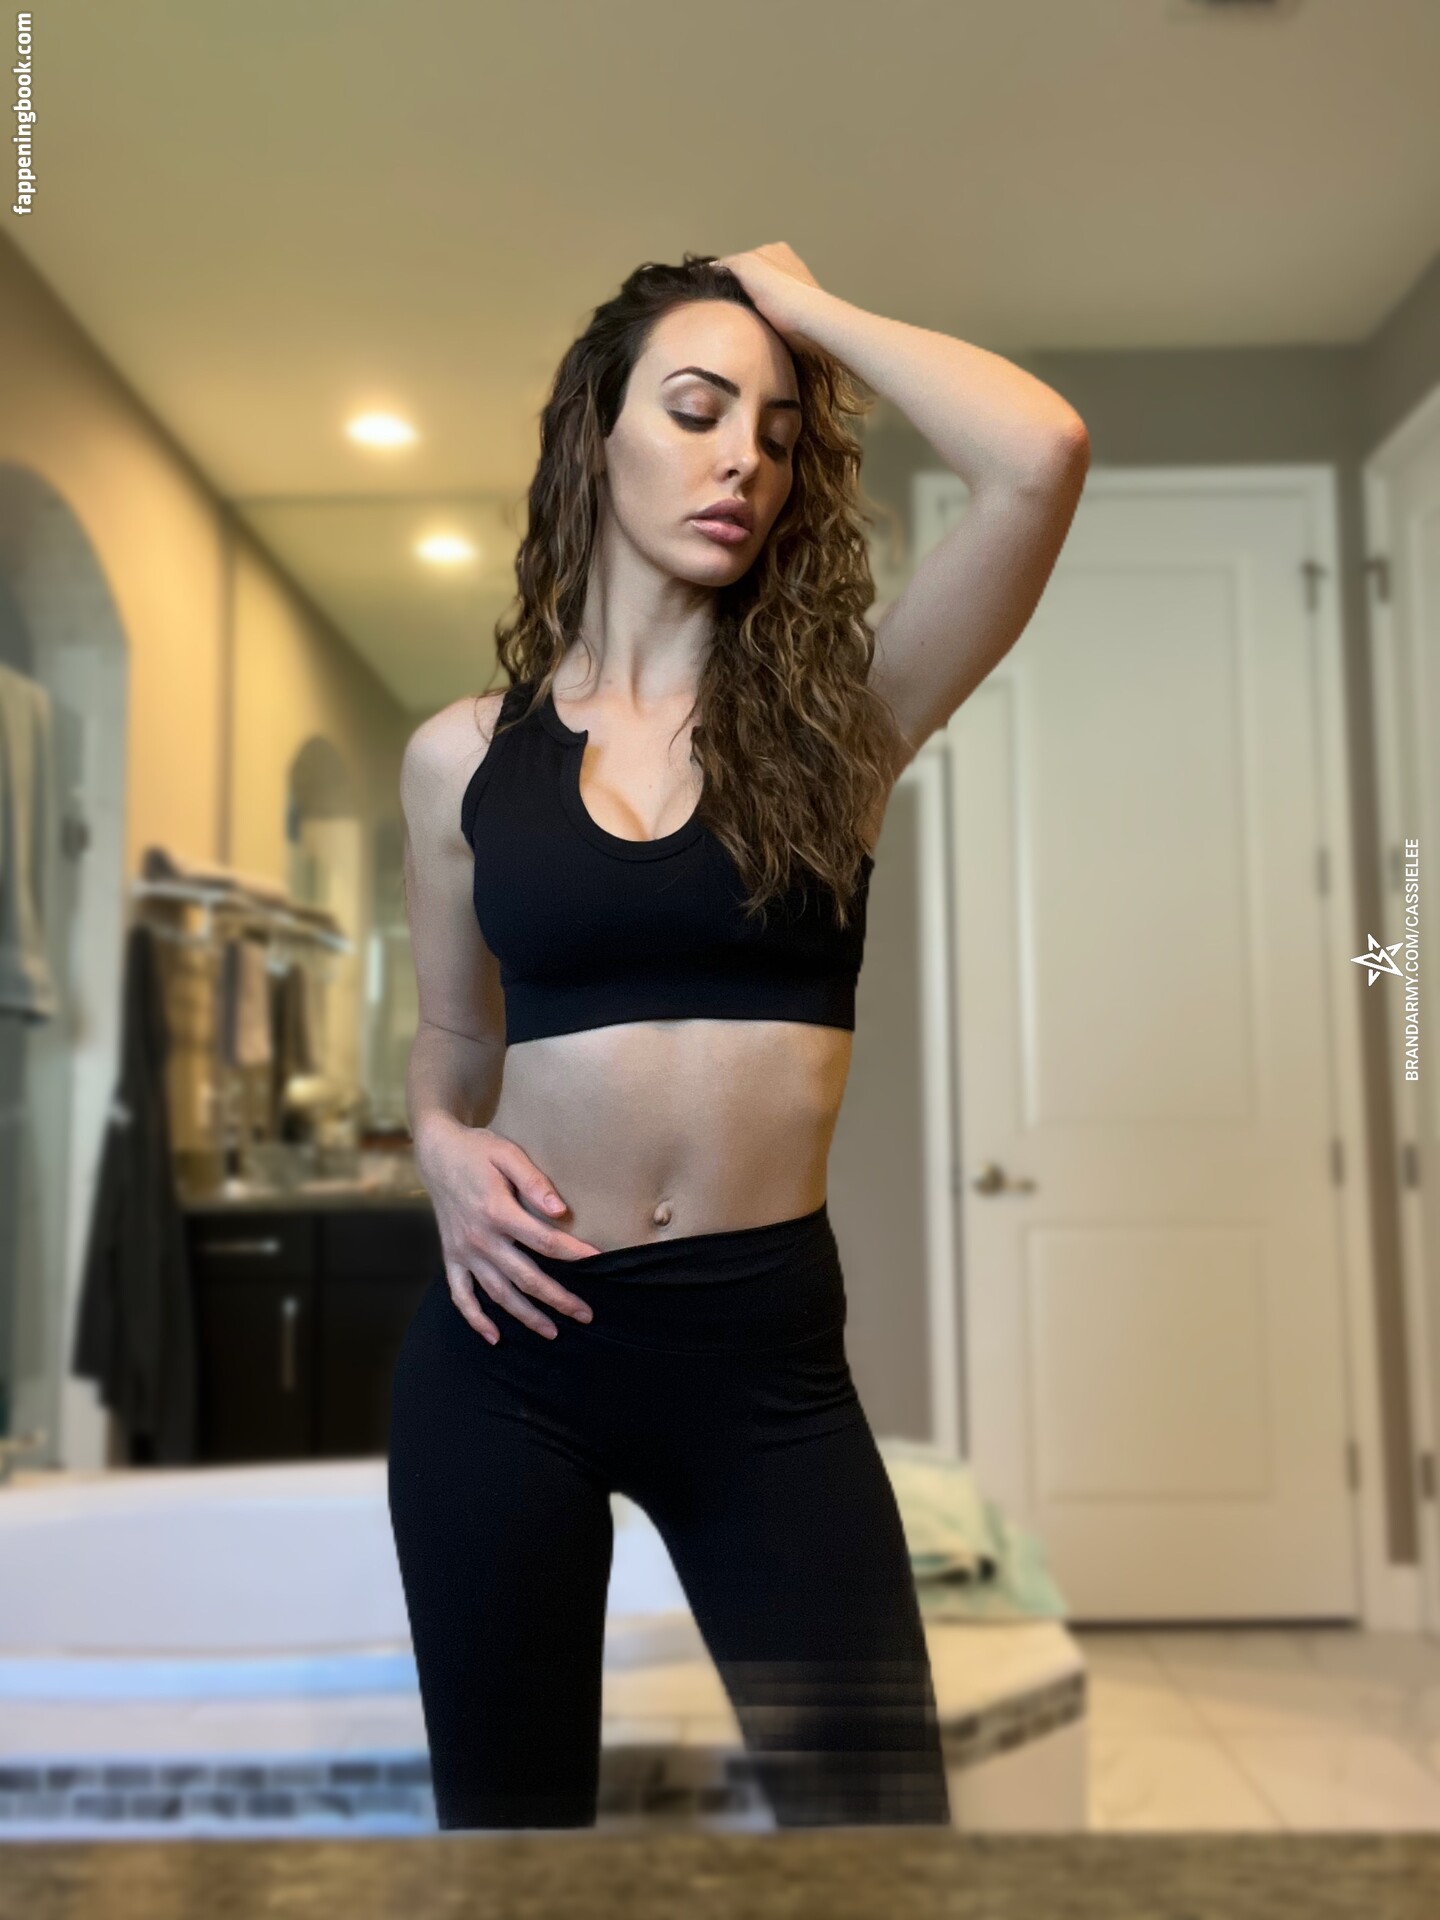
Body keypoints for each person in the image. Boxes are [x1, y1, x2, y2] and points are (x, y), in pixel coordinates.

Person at [386, 245, 1089, 1831]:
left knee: (879, 1840)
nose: (742, 463)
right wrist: (437, 1148)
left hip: (762, 1363)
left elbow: (1039, 456)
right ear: (597, 437)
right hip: (510, 1352)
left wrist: (809, 312)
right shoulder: (459, 760)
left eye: (777, 435)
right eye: (698, 410)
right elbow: (450, 1043)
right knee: (513, 1853)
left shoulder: (844, 724)